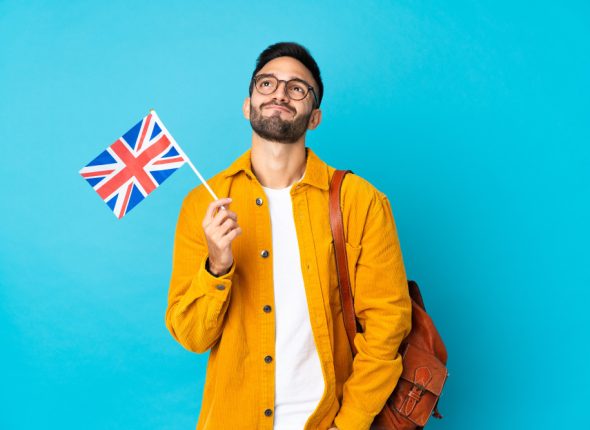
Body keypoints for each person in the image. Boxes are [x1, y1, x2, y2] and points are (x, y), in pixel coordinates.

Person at [165, 41, 412, 430]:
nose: (280, 92)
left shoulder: (360, 201)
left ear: (314, 117)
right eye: (267, 84)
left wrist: (348, 425)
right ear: (247, 104)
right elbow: (193, 337)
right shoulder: (204, 205)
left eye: (297, 88)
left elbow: (387, 327)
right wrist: (217, 266)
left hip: (325, 420)